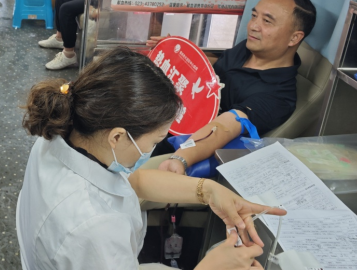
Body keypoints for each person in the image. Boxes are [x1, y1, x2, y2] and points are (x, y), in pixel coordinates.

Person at [17, 47, 285, 270]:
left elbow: (132, 182)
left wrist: (209, 190)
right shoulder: (95, 227)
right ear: (117, 136)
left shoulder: (65, 132)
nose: (152, 149)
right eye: (155, 141)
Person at [151, 0, 317, 175]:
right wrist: (177, 52)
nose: (253, 26)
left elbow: (225, 126)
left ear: (294, 38)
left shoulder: (278, 96)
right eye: (254, 16)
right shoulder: (248, 48)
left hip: (175, 144)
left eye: (267, 21)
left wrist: (182, 158)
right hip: (169, 115)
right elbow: (215, 67)